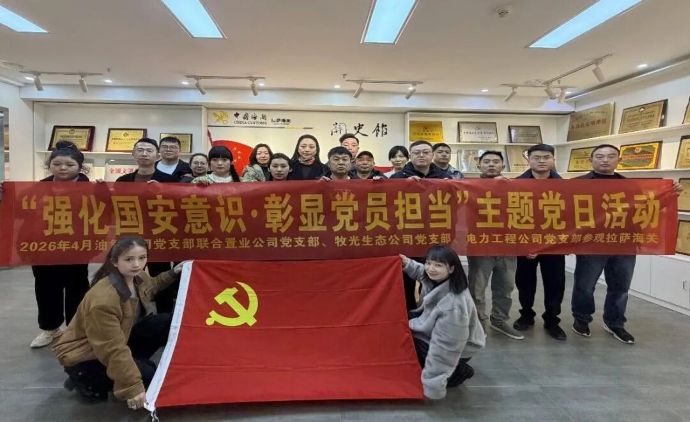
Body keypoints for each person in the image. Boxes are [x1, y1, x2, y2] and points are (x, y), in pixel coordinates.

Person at [53, 237, 185, 408]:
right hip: (87, 355)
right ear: (115, 262)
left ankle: (124, 369)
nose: (136, 264)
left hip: (117, 339)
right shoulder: (103, 301)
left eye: (142, 258)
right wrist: (132, 387)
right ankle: (84, 377)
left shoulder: (137, 277)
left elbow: (152, 286)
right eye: (129, 259)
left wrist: (174, 272)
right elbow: (112, 349)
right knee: (149, 375)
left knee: (165, 322)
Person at [570, 144, 683, 344]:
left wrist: (670, 195)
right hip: (591, 244)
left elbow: (648, 208)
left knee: (620, 286)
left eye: (611, 156)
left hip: (624, 243)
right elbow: (564, 213)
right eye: (600, 156)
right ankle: (581, 320)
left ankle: (615, 323)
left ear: (619, 160)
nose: (605, 160)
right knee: (584, 286)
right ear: (591, 160)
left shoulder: (631, 185)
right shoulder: (576, 184)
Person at [21, 141, 90, 348]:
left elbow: (104, 216)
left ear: (80, 167)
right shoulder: (36, 189)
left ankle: (75, 330)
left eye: (69, 164)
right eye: (57, 164)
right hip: (43, 248)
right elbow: (22, 214)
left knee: (77, 288)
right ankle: (50, 329)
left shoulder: (92, 189)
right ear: (49, 165)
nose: (62, 168)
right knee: (46, 288)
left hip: (76, 247)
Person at [400, 245, 485, 400]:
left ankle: (457, 372)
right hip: (433, 331)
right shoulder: (440, 279)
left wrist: (432, 386)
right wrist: (407, 263)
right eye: (428, 263)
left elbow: (445, 348)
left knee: (408, 346)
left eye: (438, 265)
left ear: (451, 268)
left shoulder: (453, 305)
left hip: (457, 346)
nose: (431, 268)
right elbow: (422, 273)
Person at [466, 151, 523, 340]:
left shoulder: (514, 187)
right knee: (477, 289)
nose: (491, 165)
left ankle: (499, 320)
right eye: (487, 161)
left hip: (507, 245)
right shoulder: (469, 186)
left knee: (505, 288)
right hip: (480, 245)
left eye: (496, 162)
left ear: (503, 166)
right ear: (479, 165)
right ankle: (478, 324)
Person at [115, 138, 177, 312]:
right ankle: (130, 315)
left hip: (159, 235)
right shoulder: (122, 181)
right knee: (129, 276)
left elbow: (180, 206)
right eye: (140, 150)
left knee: (162, 276)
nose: (144, 154)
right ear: (133, 154)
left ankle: (164, 316)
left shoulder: (169, 180)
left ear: (157, 155)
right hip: (130, 236)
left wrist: (164, 192)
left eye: (149, 150)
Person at [512, 144, 567, 341]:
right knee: (524, 282)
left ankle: (552, 320)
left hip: (554, 244)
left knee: (555, 283)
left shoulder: (567, 187)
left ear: (553, 159)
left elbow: (571, 217)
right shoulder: (515, 184)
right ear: (528, 159)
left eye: (546, 157)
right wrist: (524, 244)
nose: (541, 161)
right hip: (525, 243)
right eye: (536, 157)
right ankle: (526, 314)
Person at [390, 141, 449, 310]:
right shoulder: (397, 178)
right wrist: (404, 186)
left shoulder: (445, 178)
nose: (421, 155)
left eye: (425, 152)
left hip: (434, 236)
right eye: (416, 153)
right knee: (405, 277)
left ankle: (429, 311)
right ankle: (407, 312)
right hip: (406, 236)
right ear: (410, 156)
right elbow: (387, 207)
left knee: (433, 275)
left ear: (432, 155)